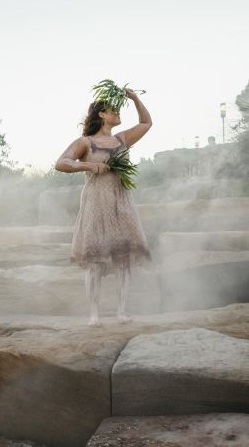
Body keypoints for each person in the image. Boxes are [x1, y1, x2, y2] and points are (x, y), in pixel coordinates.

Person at [55, 88, 152, 326]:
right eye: (112, 110)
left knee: (123, 258)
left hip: (121, 201)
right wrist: (88, 167)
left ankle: (121, 311)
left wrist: (135, 98)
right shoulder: (85, 142)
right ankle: (94, 314)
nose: (118, 112)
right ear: (101, 114)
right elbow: (61, 163)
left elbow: (146, 122)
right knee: (95, 261)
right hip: (96, 202)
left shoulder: (122, 139)